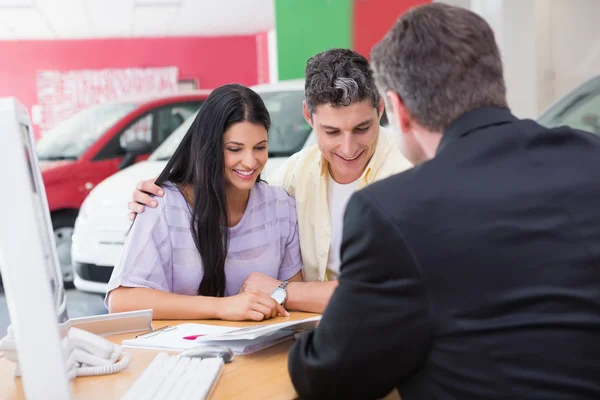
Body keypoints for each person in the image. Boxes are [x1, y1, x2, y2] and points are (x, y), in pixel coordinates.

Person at [288, 3, 600, 399]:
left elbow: (328, 378)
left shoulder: (393, 211)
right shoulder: (592, 158)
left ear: (396, 110)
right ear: (495, 82)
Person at [127, 49, 414, 313]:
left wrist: (281, 291)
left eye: (362, 128)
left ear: (380, 109)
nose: (348, 148)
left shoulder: (412, 176)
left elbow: (390, 293)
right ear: (308, 117)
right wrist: (166, 194)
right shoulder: (293, 176)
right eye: (332, 132)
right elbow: (239, 185)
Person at [105, 84, 303, 321]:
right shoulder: (164, 204)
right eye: (234, 149)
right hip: (186, 353)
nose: (250, 162)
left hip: (262, 352)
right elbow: (122, 300)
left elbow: (294, 301)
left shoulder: (280, 206)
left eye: (259, 148)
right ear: (209, 147)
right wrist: (222, 308)